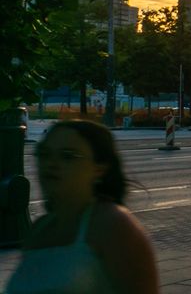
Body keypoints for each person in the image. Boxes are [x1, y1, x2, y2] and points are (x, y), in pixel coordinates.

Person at [7, 120, 159, 294]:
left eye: (68, 156)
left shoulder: (114, 226)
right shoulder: (40, 229)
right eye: (44, 154)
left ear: (98, 169)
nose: (51, 164)